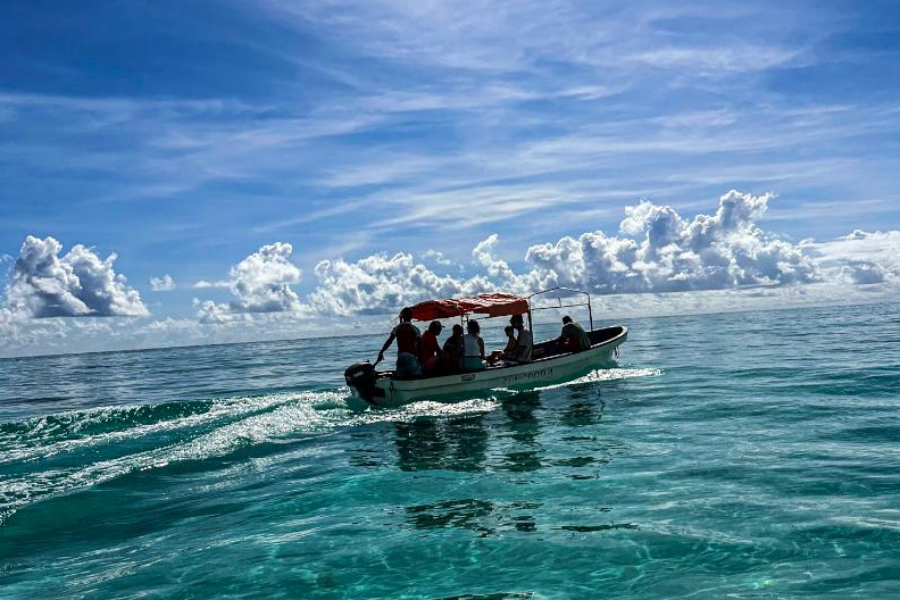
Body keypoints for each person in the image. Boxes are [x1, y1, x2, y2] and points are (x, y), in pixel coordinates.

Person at [377, 307, 422, 377]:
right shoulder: (415, 329)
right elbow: (420, 345)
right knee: (418, 376)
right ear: (411, 317)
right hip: (411, 357)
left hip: (401, 357)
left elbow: (389, 341)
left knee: (400, 377)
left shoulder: (397, 328)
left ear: (402, 316)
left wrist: (381, 352)